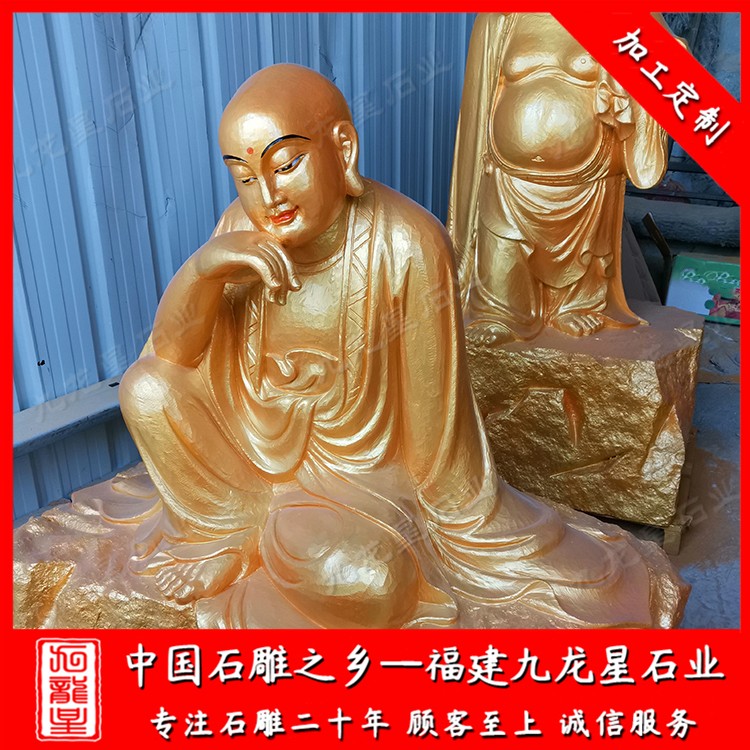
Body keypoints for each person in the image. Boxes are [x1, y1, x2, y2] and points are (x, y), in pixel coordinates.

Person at [118, 63, 686, 629]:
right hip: (247, 455)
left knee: (371, 581)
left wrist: (445, 517)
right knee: (144, 389)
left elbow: (435, 444)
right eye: (244, 177)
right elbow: (171, 357)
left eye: (286, 165)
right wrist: (204, 270)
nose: (267, 196)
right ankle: (231, 533)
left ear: (343, 149)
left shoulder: (408, 243)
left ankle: (257, 542)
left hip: (357, 482)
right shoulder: (237, 230)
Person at [448, 13, 673, 345]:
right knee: (502, 242)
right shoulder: (500, 17)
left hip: (588, 174)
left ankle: (576, 304)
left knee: (585, 253)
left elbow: (664, 64)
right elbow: (478, 100)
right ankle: (500, 311)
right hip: (508, 175)